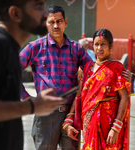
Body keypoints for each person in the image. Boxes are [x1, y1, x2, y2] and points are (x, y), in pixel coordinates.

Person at [0, 0, 67, 150]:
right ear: (16, 13)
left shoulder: (10, 47)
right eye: (39, 6)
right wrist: (32, 106)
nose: (45, 14)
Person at [19, 4, 92, 150]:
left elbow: (93, 71)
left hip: (71, 115)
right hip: (45, 114)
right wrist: (27, 98)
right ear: (45, 23)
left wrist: (116, 71)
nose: (56, 25)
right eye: (51, 22)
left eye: (59, 21)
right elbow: (11, 72)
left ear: (65, 22)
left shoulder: (76, 48)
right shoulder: (35, 47)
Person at [64, 28, 131, 149]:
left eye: (103, 44)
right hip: (89, 124)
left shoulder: (116, 68)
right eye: (96, 44)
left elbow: (124, 97)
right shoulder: (87, 68)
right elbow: (79, 95)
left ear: (110, 46)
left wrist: (116, 127)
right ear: (93, 47)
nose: (99, 48)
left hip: (109, 125)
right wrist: (69, 118)